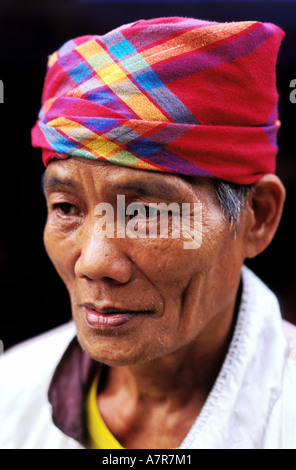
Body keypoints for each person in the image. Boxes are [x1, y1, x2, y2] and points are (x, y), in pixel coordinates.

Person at [1, 16, 296, 450]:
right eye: (66, 207)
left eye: (142, 212)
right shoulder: (12, 391)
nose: (94, 262)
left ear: (258, 218)